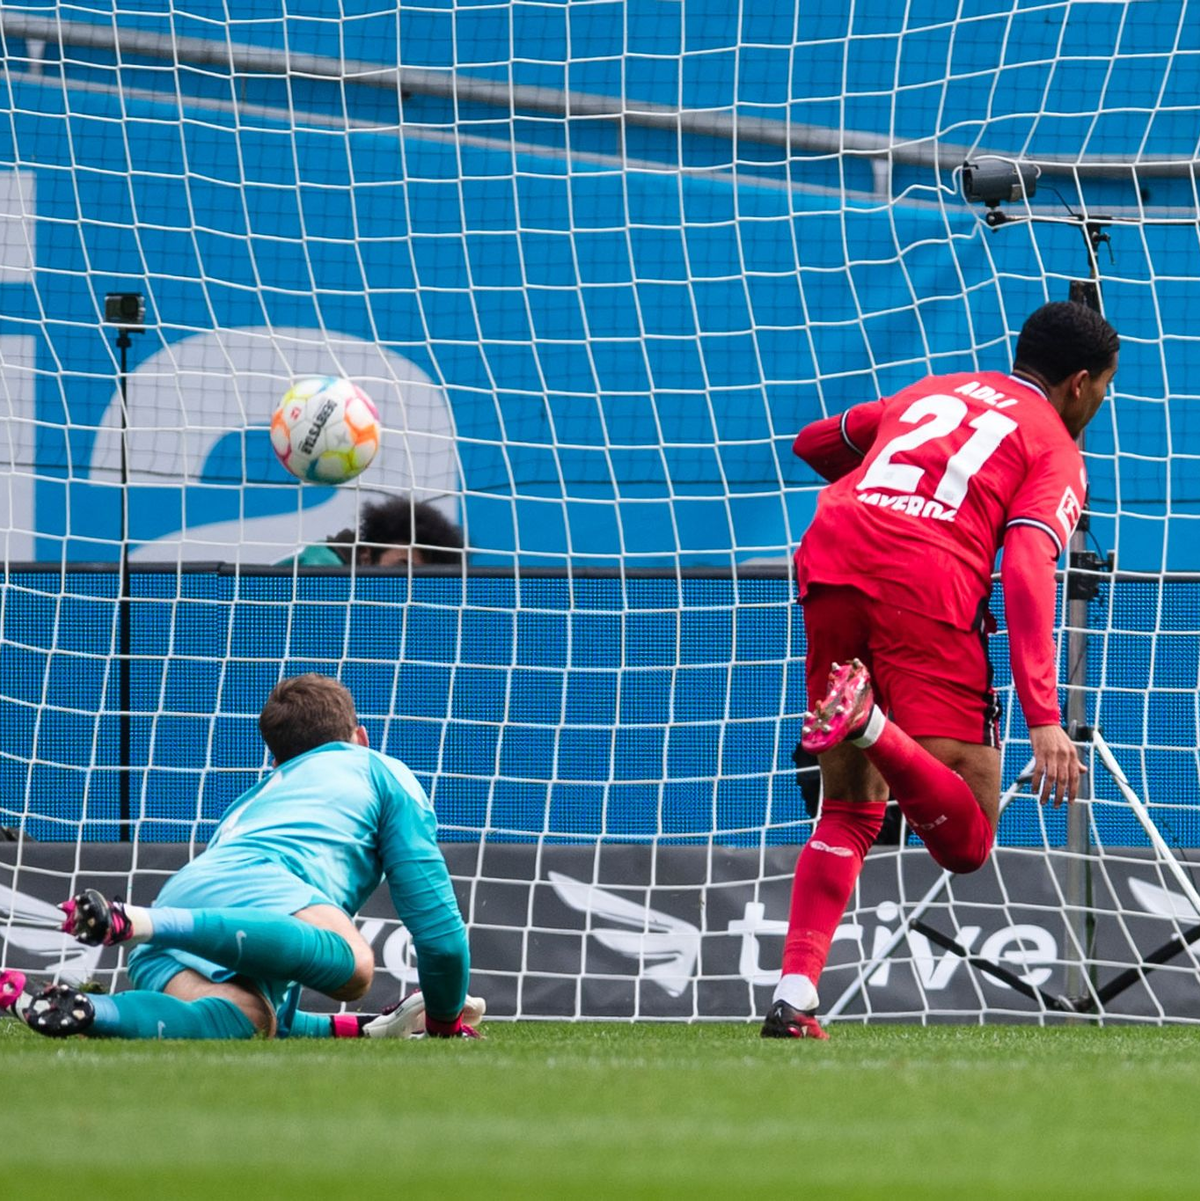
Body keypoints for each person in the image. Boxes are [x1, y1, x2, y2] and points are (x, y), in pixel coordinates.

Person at [762, 301, 1120, 1040]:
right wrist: (1044, 718)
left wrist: (893, 478)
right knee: (968, 840)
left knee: (851, 806)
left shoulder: (930, 390)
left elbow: (813, 442)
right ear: (1079, 384)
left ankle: (795, 996)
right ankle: (868, 724)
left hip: (831, 555)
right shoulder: (1055, 446)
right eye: (1106, 390)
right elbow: (1025, 564)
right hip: (923, 580)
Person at [0, 674, 482, 1040]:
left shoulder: (255, 799)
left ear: (277, 759)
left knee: (252, 1019)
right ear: (361, 737)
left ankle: (88, 1010)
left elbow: (272, 971)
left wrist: (367, 1028)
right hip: (232, 899)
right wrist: (444, 1022)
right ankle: (133, 921)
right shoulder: (379, 769)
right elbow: (439, 938)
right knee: (355, 966)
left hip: (187, 904)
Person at [295, 495, 464, 568]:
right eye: (401, 567)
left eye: (419, 577)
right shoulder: (323, 564)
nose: (408, 582)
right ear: (366, 557)